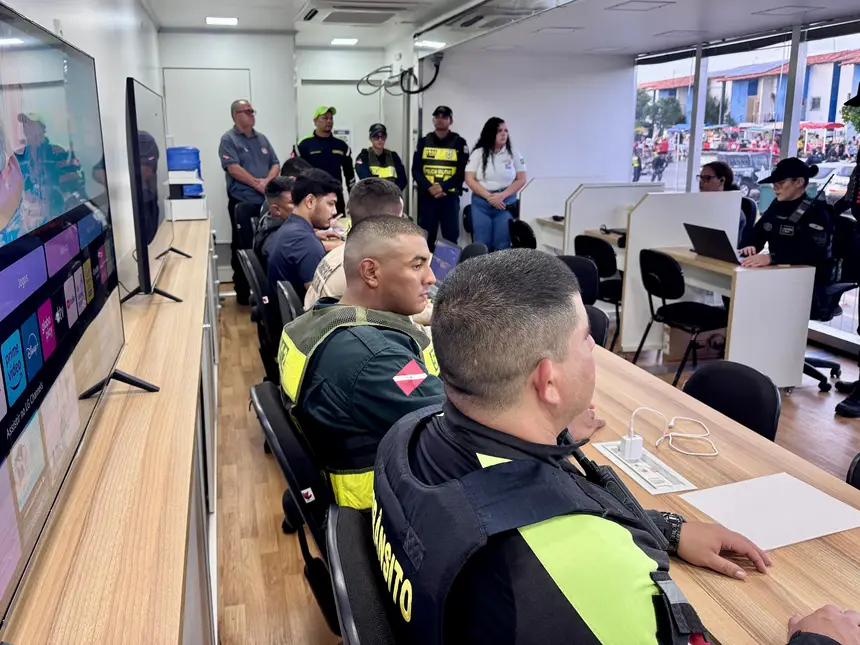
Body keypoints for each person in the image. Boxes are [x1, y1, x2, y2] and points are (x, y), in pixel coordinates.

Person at [371, 249, 855, 645]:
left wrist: (666, 528)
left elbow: (519, 500)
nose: (594, 350)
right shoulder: (592, 567)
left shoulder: (408, 437)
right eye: (586, 339)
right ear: (548, 381)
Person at [278, 216, 442, 510]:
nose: (430, 278)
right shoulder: (376, 357)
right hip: (381, 507)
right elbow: (451, 423)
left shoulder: (319, 320)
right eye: (417, 266)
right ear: (371, 272)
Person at [304, 177, 404, 309]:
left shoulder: (340, 254)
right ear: (387, 223)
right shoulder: (369, 271)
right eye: (400, 220)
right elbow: (402, 315)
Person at [219, 100, 280, 304]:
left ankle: (264, 293)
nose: (252, 114)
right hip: (242, 202)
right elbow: (233, 168)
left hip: (265, 201)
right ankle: (243, 293)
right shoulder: (229, 139)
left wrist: (268, 182)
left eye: (252, 110)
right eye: (247, 111)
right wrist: (257, 184)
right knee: (243, 246)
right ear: (235, 115)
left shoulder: (261, 139)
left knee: (265, 244)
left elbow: (275, 163)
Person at [739, 158, 832, 284]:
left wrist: (771, 258)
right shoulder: (777, 205)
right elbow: (759, 232)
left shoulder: (816, 212)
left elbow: (811, 252)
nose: (774, 188)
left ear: (799, 182)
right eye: (773, 183)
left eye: (781, 183)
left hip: (808, 282)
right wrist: (750, 247)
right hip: (778, 275)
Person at [267, 169, 341, 298]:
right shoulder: (305, 243)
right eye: (330, 204)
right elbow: (322, 303)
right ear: (310, 201)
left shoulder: (289, 229)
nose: (334, 211)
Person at [464, 117, 527, 252]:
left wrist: (502, 195)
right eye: (499, 131)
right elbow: (469, 179)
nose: (504, 134)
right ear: (490, 133)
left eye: (506, 131)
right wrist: (490, 197)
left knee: (502, 244)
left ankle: (500, 268)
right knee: (482, 244)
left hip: (505, 204)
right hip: (481, 204)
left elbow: (521, 179)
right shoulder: (478, 153)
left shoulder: (513, 153)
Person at [412, 106, 469, 250]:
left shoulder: (459, 142)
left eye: (444, 117)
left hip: (449, 197)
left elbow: (462, 172)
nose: (440, 119)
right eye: (437, 116)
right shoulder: (423, 142)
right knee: (425, 237)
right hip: (428, 197)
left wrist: (442, 187)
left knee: (450, 238)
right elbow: (416, 170)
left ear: (451, 121)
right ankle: (426, 265)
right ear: (433, 120)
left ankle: (449, 265)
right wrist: (430, 188)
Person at [296, 106, 355, 217]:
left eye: (331, 118)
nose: (329, 121)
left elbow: (349, 174)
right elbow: (296, 172)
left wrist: (353, 198)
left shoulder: (341, 145)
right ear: (315, 121)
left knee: (338, 225)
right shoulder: (304, 144)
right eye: (325, 118)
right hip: (313, 196)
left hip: (336, 197)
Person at [698, 161, 756, 249]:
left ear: (722, 180)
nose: (701, 182)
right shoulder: (701, 205)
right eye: (700, 177)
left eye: (707, 178)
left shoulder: (733, 211)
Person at [253, 176, 295, 265]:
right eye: (293, 202)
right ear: (276, 210)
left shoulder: (267, 221)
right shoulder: (280, 243)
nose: (301, 206)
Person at [355, 123, 407, 191]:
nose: (380, 140)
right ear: (370, 138)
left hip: (392, 195)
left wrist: (392, 192)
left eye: (383, 137)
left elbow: (402, 181)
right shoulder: (363, 157)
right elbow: (366, 180)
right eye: (376, 137)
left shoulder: (394, 156)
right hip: (373, 196)